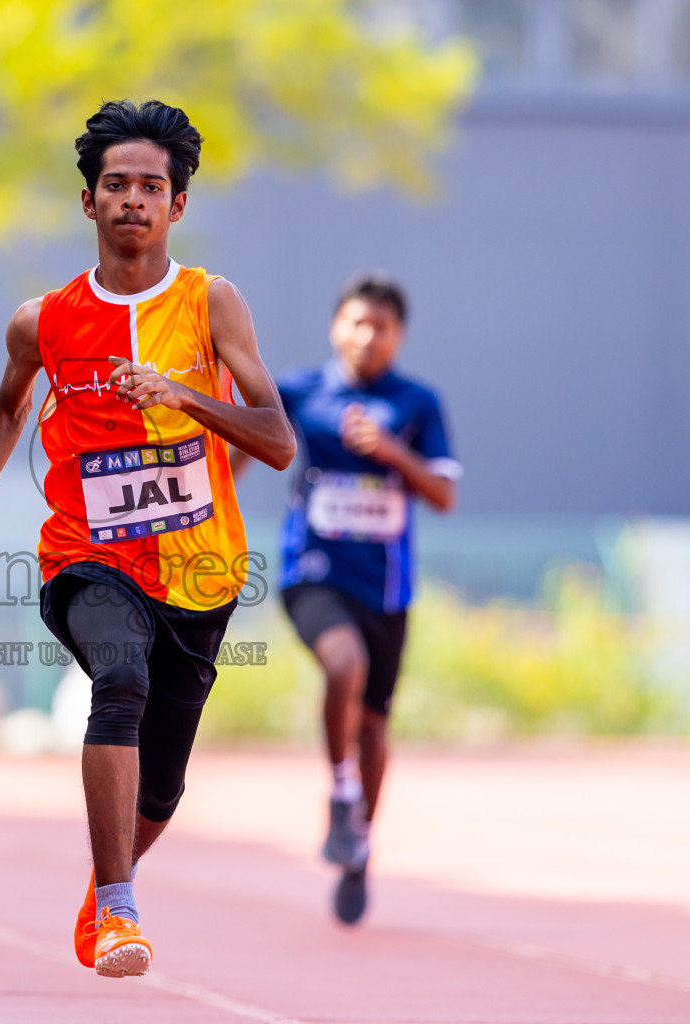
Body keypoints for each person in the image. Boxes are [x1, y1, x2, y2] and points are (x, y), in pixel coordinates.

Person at [0, 99, 294, 978]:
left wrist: (185, 398)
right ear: (88, 202)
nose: (133, 199)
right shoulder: (45, 320)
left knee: (164, 786)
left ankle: (107, 885)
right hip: (84, 557)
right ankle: (123, 911)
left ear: (177, 205)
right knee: (120, 678)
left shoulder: (213, 303)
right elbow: (7, 405)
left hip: (201, 570)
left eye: (151, 186)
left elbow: (278, 441)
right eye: (116, 185)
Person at [275, 274, 459, 924]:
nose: (367, 336)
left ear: (398, 336)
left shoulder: (417, 403)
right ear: (335, 327)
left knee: (376, 723)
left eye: (381, 327)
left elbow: (443, 495)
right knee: (342, 666)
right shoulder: (299, 391)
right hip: (312, 573)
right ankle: (340, 788)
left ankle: (359, 847)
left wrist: (391, 453)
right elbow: (246, 446)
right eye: (356, 323)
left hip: (386, 586)